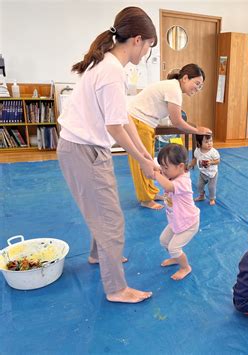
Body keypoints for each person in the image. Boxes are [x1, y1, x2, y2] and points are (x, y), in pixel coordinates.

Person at [56, 7, 156, 303]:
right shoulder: (112, 72)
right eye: (149, 46)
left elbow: (123, 120)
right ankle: (116, 289)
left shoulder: (107, 64)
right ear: (138, 40)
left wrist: (145, 156)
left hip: (83, 148)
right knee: (111, 220)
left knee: (103, 209)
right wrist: (142, 161)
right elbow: (115, 127)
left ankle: (98, 256)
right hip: (83, 151)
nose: (147, 53)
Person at [127, 64, 212, 210]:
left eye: (201, 86)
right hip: (138, 122)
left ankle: (151, 193)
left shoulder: (173, 88)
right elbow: (177, 121)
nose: (197, 89)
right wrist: (198, 130)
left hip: (144, 123)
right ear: (185, 78)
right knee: (143, 162)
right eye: (197, 84)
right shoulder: (174, 89)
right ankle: (145, 199)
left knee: (147, 159)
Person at [153, 144, 200, 280]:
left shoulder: (183, 181)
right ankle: (176, 258)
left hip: (189, 222)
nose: (163, 170)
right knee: (164, 241)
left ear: (180, 166)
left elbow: (168, 185)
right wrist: (156, 170)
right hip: (176, 220)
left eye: (165, 167)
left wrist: (156, 174)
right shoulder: (172, 175)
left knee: (174, 247)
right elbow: (161, 176)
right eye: (162, 166)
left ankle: (185, 267)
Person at [189, 134, 220, 206]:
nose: (210, 143)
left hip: (212, 174)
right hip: (203, 173)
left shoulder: (213, 152)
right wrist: (190, 165)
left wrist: (211, 162)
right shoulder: (197, 151)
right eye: (206, 142)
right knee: (199, 186)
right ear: (199, 143)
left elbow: (218, 161)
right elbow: (195, 159)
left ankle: (212, 198)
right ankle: (202, 196)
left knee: (211, 187)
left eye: (211, 141)